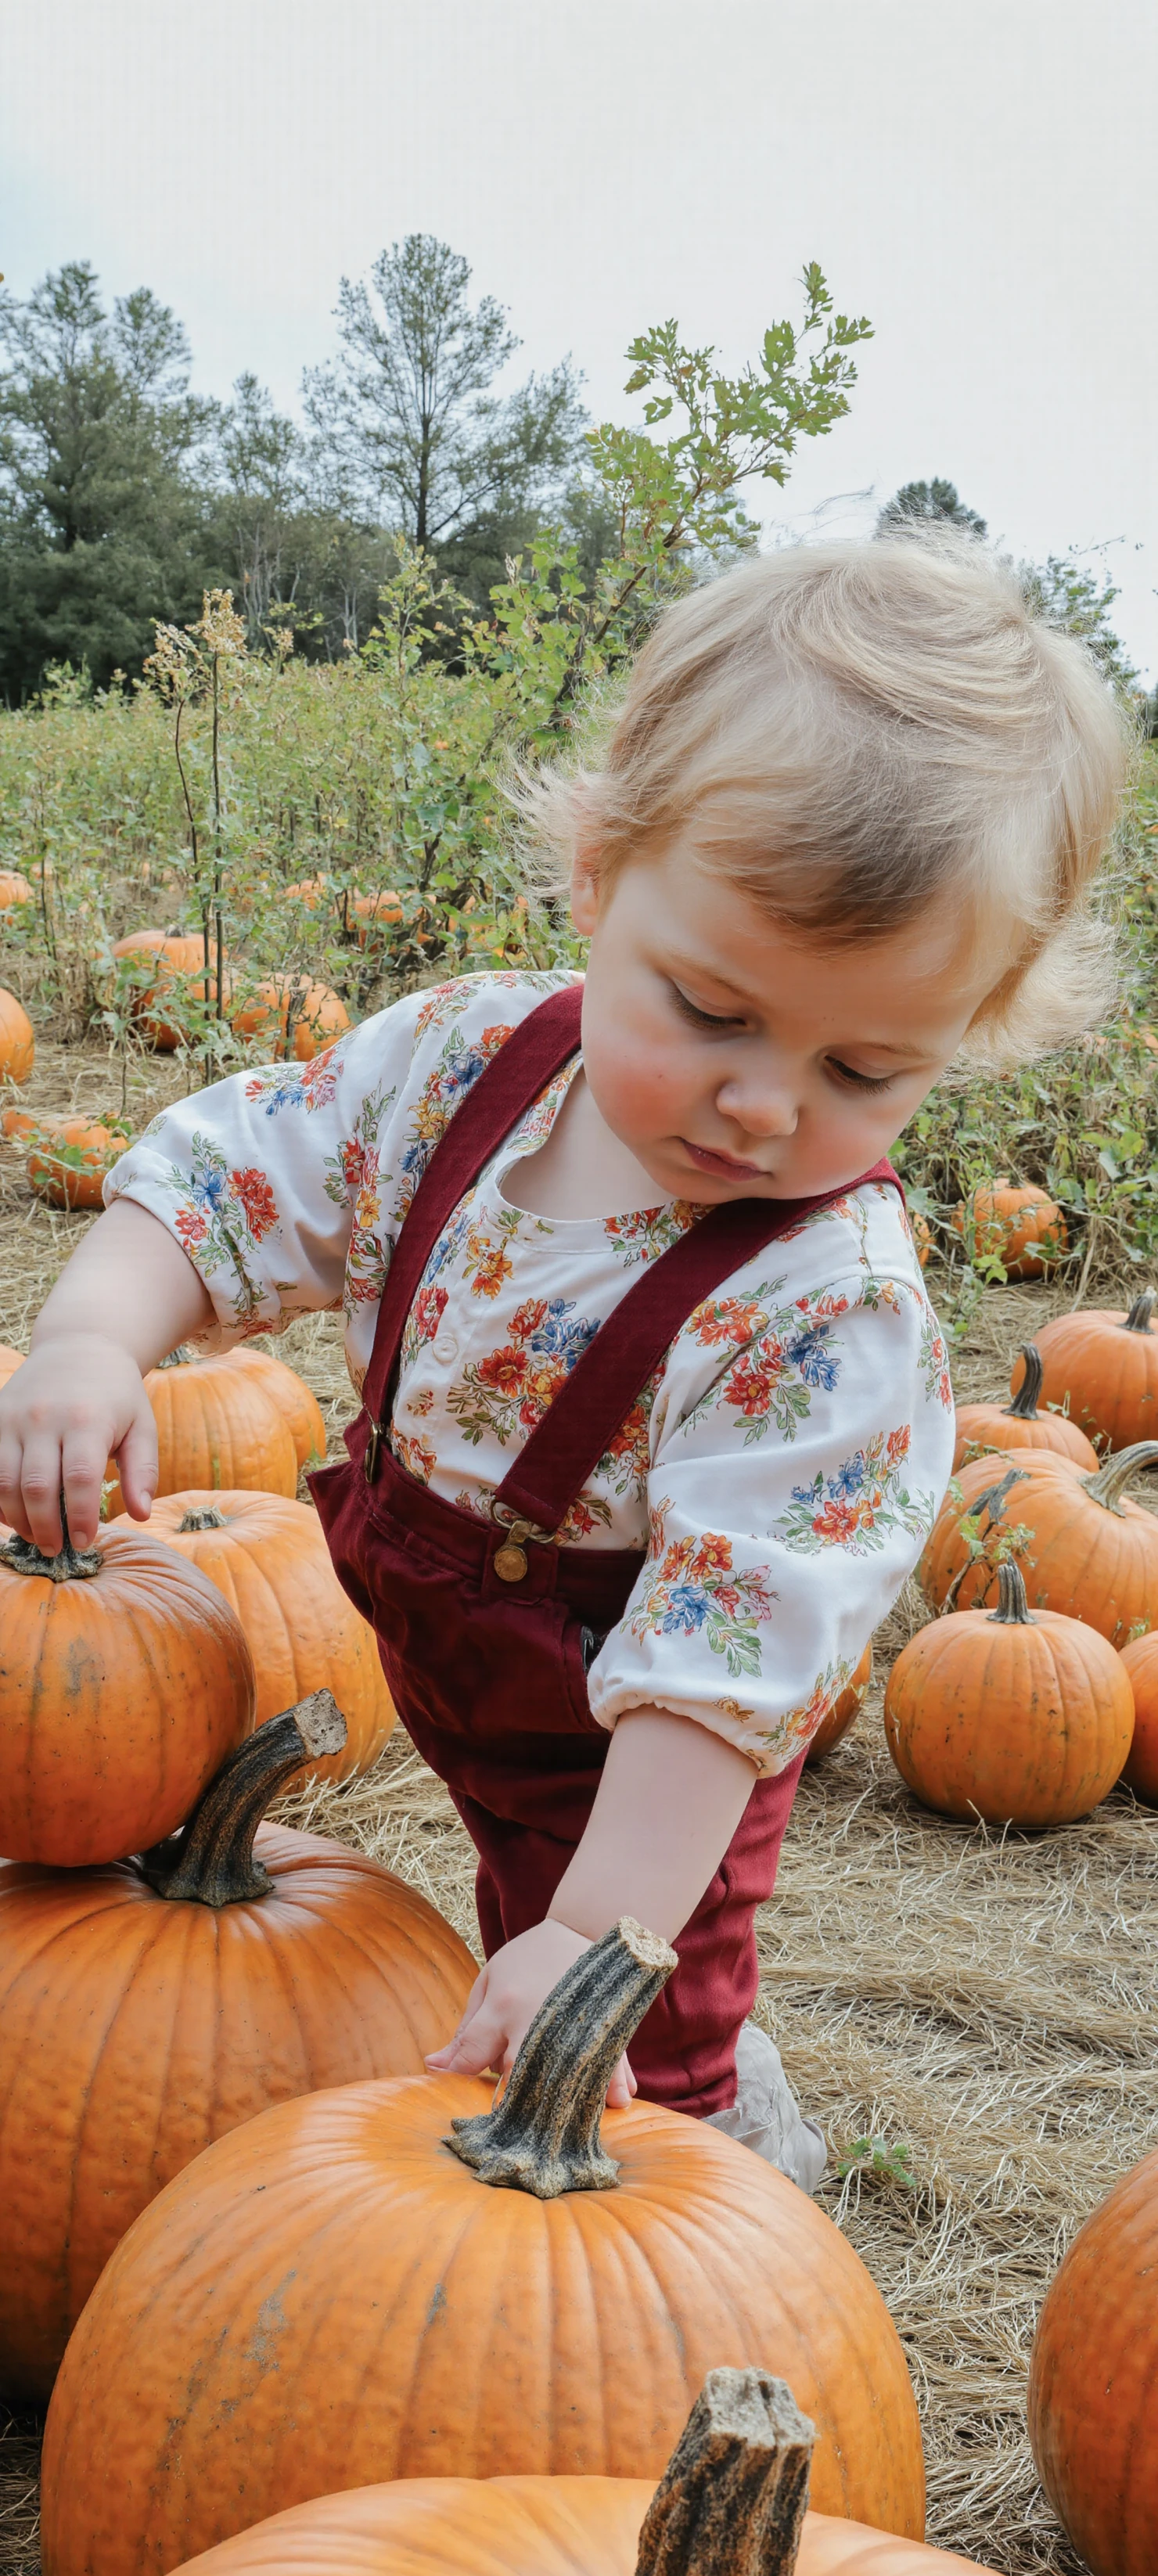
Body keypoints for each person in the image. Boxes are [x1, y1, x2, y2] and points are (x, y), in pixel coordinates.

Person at [0, 534, 1126, 2190]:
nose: (765, 1103)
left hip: (657, 1730)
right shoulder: (459, 1060)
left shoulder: (828, 1307)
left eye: (864, 1067)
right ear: (599, 875)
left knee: (618, 2053)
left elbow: (723, 1668)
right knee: (503, 1919)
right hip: (449, 1642)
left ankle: (735, 2156)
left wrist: (596, 1932)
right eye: (710, 1009)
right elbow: (239, 1179)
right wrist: (94, 1334)